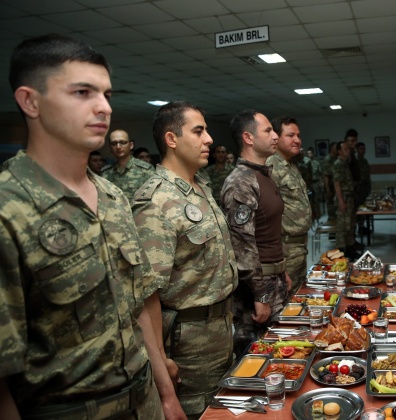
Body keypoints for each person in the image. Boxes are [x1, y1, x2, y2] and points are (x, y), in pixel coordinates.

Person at [0, 33, 180, 419]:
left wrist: (166, 395)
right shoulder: (8, 209)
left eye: (106, 94)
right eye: (82, 92)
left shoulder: (112, 197)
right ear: (30, 101)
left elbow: (140, 304)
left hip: (144, 400)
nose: (103, 107)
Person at [131, 101, 238, 418]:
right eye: (198, 131)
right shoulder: (156, 200)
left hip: (221, 328)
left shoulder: (200, 186)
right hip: (188, 343)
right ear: (171, 139)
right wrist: (161, 365)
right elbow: (146, 294)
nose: (209, 139)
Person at [220, 109, 292, 357]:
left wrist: (282, 270)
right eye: (268, 130)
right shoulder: (241, 181)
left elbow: (267, 231)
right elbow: (242, 245)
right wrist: (261, 295)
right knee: (258, 359)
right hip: (257, 288)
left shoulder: (262, 175)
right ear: (248, 138)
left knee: (280, 357)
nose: (275, 136)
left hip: (274, 279)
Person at [266, 116, 312, 293]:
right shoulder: (271, 166)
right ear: (276, 138)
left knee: (298, 296)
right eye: (290, 135)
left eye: (298, 135)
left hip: (298, 246)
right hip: (285, 248)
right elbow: (266, 214)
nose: (297, 140)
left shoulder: (290, 164)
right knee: (285, 298)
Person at [101, 129, 154, 202]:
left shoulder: (146, 170)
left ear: (131, 145)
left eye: (122, 142)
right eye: (114, 143)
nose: (118, 146)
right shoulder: (105, 172)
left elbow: (154, 200)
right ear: (110, 147)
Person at [333, 140, 360, 259]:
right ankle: (340, 252)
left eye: (348, 149)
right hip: (343, 197)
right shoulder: (338, 164)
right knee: (342, 227)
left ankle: (350, 249)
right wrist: (341, 201)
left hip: (349, 197)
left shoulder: (346, 163)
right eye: (345, 149)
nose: (348, 151)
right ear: (339, 151)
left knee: (350, 225)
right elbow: (337, 183)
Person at [321, 141, 339, 224]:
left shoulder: (336, 158)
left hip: (336, 187)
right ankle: (332, 226)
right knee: (331, 208)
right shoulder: (328, 159)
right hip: (330, 187)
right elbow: (326, 176)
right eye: (336, 147)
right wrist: (328, 190)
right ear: (332, 149)